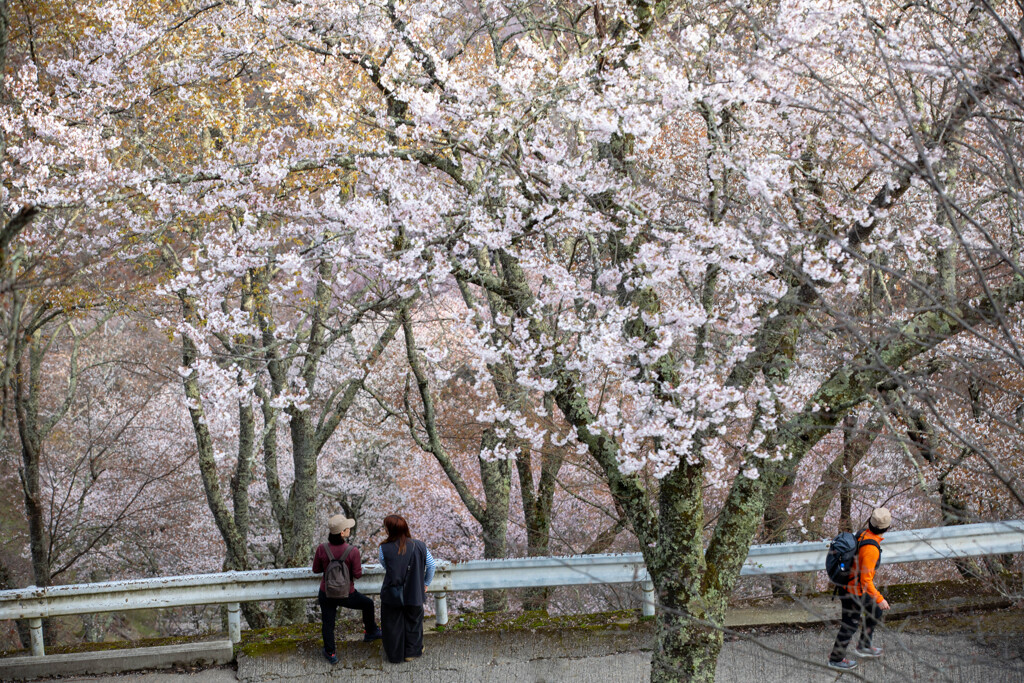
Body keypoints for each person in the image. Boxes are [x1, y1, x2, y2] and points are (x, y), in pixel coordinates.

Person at [312, 514, 382, 665]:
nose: (349, 529)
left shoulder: (322, 549)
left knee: (328, 623)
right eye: (347, 528)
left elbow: (316, 569)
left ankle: (330, 653)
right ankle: (370, 632)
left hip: (326, 592)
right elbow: (357, 574)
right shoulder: (352, 551)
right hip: (346, 594)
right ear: (342, 533)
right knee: (367, 604)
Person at [828, 507, 892, 671]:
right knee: (850, 625)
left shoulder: (863, 533)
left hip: (852, 586)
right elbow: (866, 580)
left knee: (875, 611)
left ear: (870, 523)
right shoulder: (871, 549)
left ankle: (864, 646)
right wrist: (880, 598)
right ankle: (835, 659)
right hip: (853, 592)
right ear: (886, 528)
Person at [378, 514, 436, 663]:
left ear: (389, 530)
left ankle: (395, 655)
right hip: (414, 591)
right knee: (414, 622)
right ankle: (412, 653)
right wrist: (425, 583)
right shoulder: (420, 546)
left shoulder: (383, 548)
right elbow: (431, 565)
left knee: (392, 624)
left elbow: (386, 566)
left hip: (392, 593)